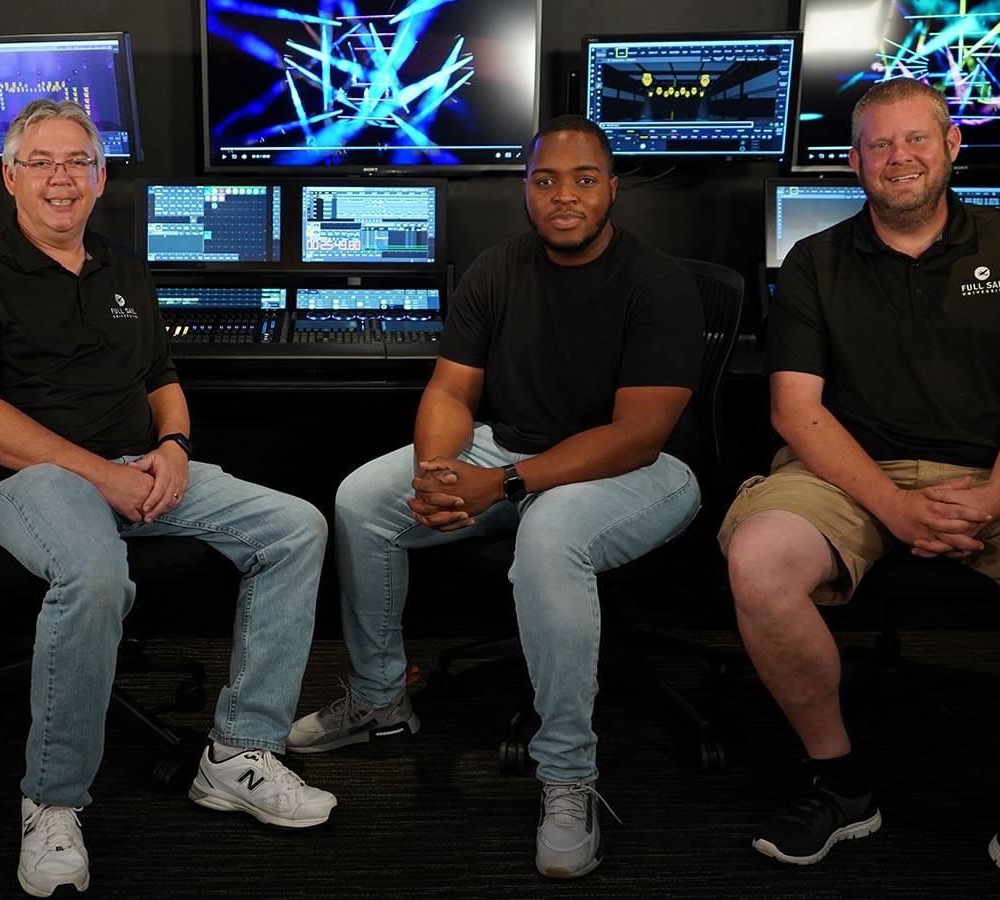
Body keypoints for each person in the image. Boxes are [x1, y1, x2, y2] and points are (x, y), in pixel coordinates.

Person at [719, 77, 1000, 898]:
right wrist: (897, 505)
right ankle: (841, 788)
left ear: (952, 146)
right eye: (880, 145)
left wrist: (987, 499)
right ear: (855, 162)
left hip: (998, 472)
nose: (899, 158)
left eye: (917, 139)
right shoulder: (815, 260)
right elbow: (794, 411)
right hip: (845, 475)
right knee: (758, 563)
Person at [0, 98, 334, 897]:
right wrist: (105, 475)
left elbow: (161, 377)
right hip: (21, 481)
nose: (60, 178)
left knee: (297, 527)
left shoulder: (123, 265)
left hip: (135, 467)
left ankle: (238, 753)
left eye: (77, 162)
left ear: (102, 177)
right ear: (9, 176)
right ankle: (51, 801)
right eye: (40, 162)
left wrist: (174, 448)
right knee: (98, 574)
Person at [285, 114, 704, 879]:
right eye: (546, 181)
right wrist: (442, 475)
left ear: (612, 188)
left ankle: (568, 773)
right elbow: (450, 388)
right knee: (359, 500)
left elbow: (639, 433)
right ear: (527, 191)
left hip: (637, 473)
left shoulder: (658, 283)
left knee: (548, 535)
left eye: (583, 180)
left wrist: (499, 485)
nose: (564, 196)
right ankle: (381, 700)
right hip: (507, 449)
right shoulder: (497, 268)